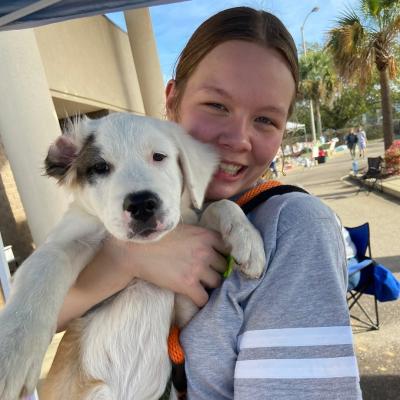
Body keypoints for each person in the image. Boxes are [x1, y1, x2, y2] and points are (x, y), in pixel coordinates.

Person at [57, 7, 362, 399]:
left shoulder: (294, 228)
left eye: (266, 120)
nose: (238, 138)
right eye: (217, 105)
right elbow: (39, 317)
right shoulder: (126, 210)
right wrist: (125, 259)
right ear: (172, 101)